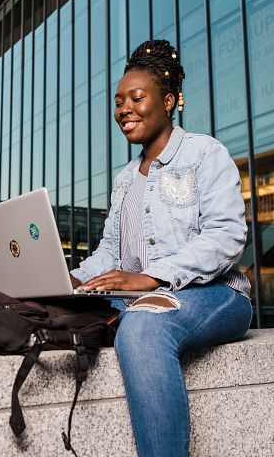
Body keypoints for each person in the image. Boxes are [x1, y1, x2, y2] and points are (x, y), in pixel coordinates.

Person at [68, 39, 252, 456]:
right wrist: (73, 279)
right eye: (118, 102)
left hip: (213, 295)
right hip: (137, 298)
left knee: (145, 326)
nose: (124, 110)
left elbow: (226, 236)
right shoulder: (125, 179)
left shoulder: (205, 153)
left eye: (136, 98)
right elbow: (110, 254)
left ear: (168, 101)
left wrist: (153, 277)